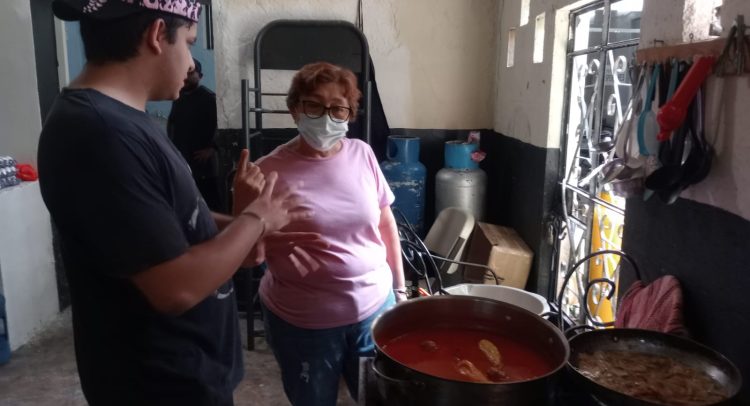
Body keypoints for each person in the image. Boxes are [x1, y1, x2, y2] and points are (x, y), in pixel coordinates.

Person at [38, 1, 321, 405]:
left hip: (189, 374)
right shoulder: (100, 134)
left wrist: (243, 230)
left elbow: (171, 217)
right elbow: (175, 287)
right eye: (188, 43)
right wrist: (256, 219)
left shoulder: (124, 120)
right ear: (157, 35)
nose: (190, 63)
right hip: (157, 386)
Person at [252, 62, 407, 406]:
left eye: (338, 108)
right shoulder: (267, 172)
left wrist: (399, 290)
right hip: (305, 323)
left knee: (377, 398)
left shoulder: (362, 154)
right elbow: (251, 253)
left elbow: (385, 223)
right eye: (314, 105)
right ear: (295, 109)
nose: (326, 117)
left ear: (349, 113)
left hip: (374, 310)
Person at [168, 57, 222, 211]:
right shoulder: (178, 97)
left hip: (204, 164)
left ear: (200, 76)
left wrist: (212, 148)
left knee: (210, 204)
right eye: (183, 72)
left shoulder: (209, 98)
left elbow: (221, 125)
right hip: (183, 160)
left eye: (191, 72)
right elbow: (172, 124)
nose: (186, 76)